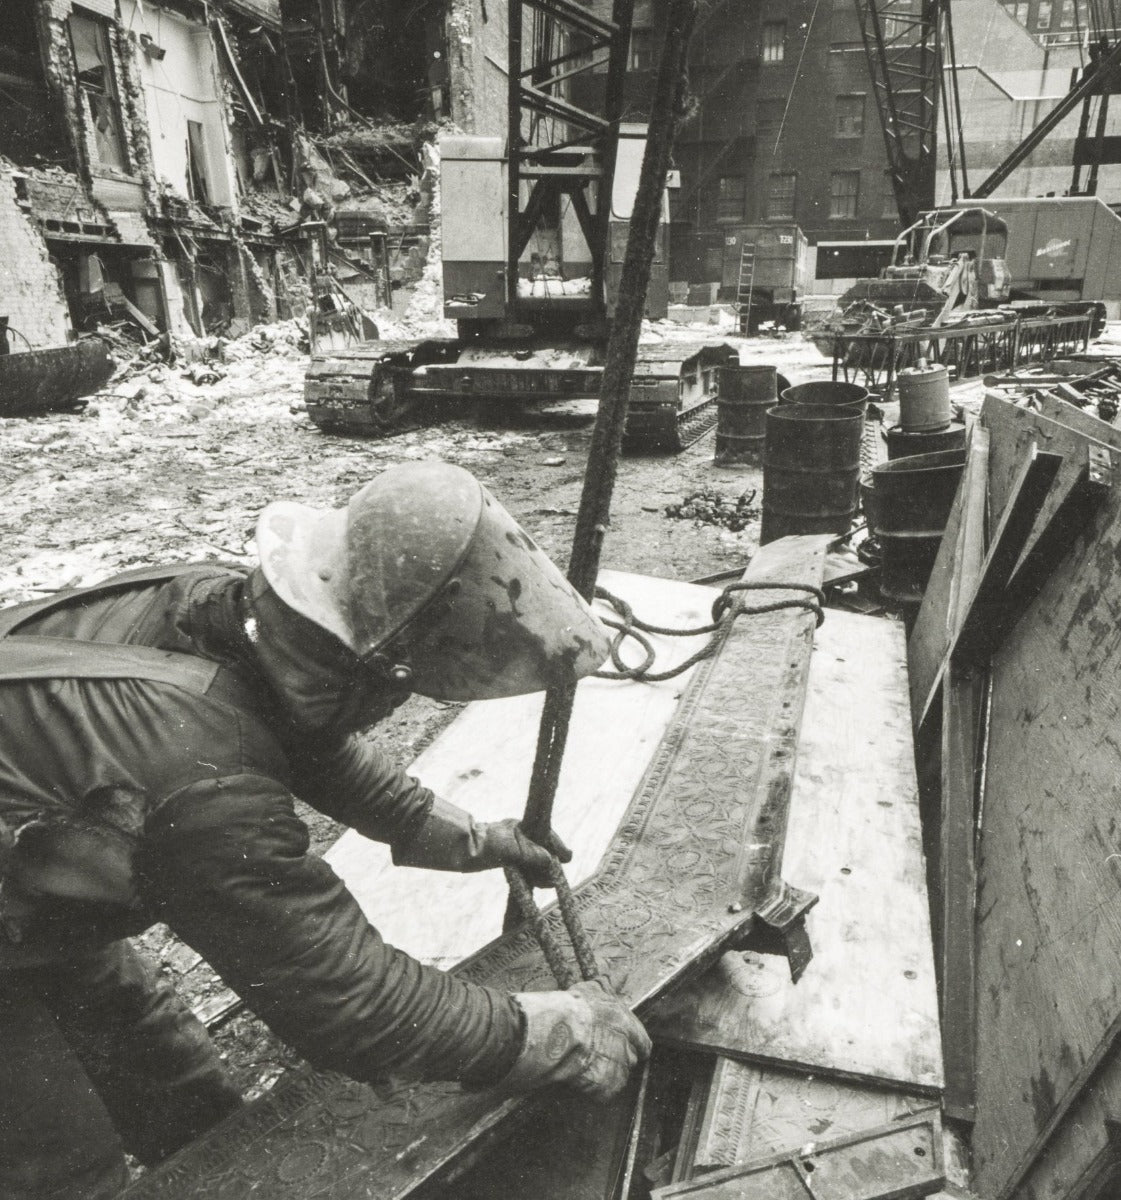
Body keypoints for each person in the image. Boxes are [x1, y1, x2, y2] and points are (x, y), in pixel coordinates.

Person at [0, 460, 651, 1200]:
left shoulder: (242, 614)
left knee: (181, 1092)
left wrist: (471, 838)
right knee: (58, 1161)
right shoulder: (199, 780)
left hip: (26, 879)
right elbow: (352, 1004)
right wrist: (553, 1034)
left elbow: (304, 737)